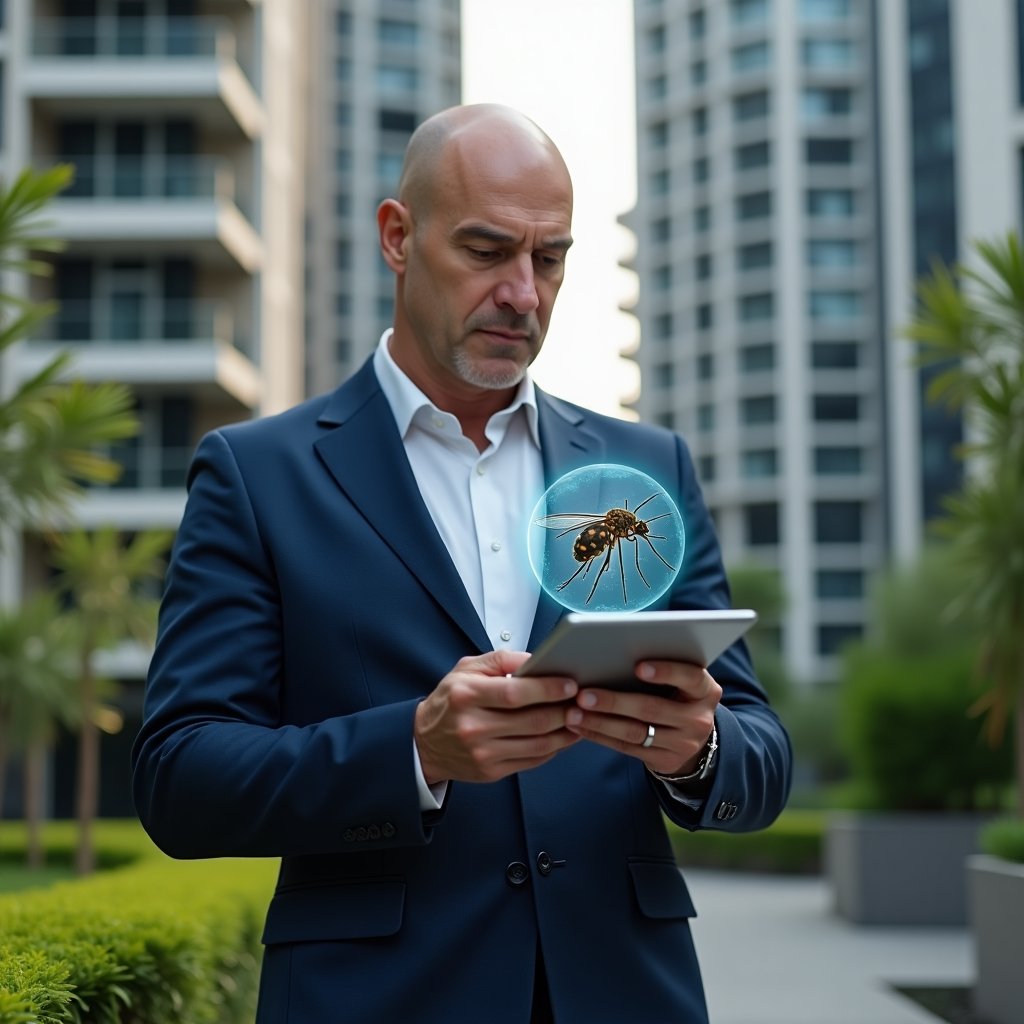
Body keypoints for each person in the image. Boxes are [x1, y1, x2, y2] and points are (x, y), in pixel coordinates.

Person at [132, 103, 792, 1024]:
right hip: (375, 1002)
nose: (523, 293)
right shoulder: (259, 475)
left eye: (549, 259)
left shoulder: (646, 469)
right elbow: (180, 776)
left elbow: (761, 750)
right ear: (398, 238)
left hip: (625, 992)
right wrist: (413, 750)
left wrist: (698, 753)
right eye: (487, 251)